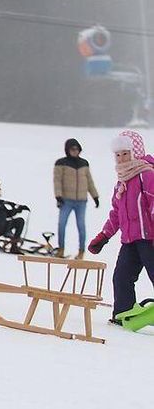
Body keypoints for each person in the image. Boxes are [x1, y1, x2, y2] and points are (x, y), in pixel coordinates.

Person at [89, 130, 154, 325]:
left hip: (149, 239)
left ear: (135, 152)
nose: (122, 158)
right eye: (118, 155)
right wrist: (103, 235)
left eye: (125, 153)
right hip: (130, 241)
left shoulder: (147, 175)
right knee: (122, 277)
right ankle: (123, 315)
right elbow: (116, 214)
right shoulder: (122, 182)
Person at [53, 138, 100, 260]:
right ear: (67, 150)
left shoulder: (84, 163)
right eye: (72, 149)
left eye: (77, 149)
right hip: (66, 200)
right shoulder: (61, 163)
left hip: (81, 201)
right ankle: (61, 249)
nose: (75, 151)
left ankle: (81, 252)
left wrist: (95, 196)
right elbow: (57, 180)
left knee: (81, 225)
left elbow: (89, 181)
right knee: (62, 224)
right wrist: (58, 196)